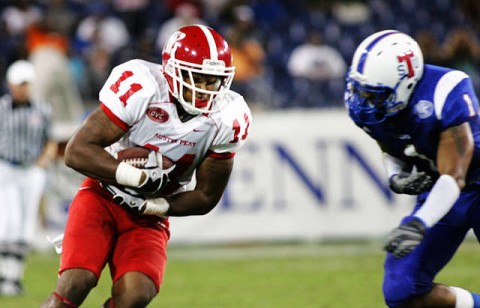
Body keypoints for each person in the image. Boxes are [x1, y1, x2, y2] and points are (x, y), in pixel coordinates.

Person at [41, 24, 252, 307]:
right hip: (103, 196)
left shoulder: (229, 116)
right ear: (173, 70)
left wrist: (160, 205)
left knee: (135, 295)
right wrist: (135, 177)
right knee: (76, 282)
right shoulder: (143, 86)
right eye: (198, 78)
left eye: (213, 81)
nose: (205, 89)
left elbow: (206, 195)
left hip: (148, 216)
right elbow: (77, 151)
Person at [344, 30, 480, 308]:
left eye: (374, 95)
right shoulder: (374, 107)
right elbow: (390, 144)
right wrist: (395, 175)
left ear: (406, 84)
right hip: (441, 190)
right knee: (402, 290)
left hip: (467, 179)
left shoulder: (445, 89)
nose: (364, 102)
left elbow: (454, 175)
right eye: (361, 91)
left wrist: (419, 222)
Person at [0, 60, 57, 296]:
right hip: (7, 166)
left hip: (32, 170)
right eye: (17, 84)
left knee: (25, 225)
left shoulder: (42, 109)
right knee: (8, 221)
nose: (20, 89)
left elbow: (51, 139)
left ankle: (14, 277)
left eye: (24, 84)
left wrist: (45, 158)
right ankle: (5, 275)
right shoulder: (2, 107)